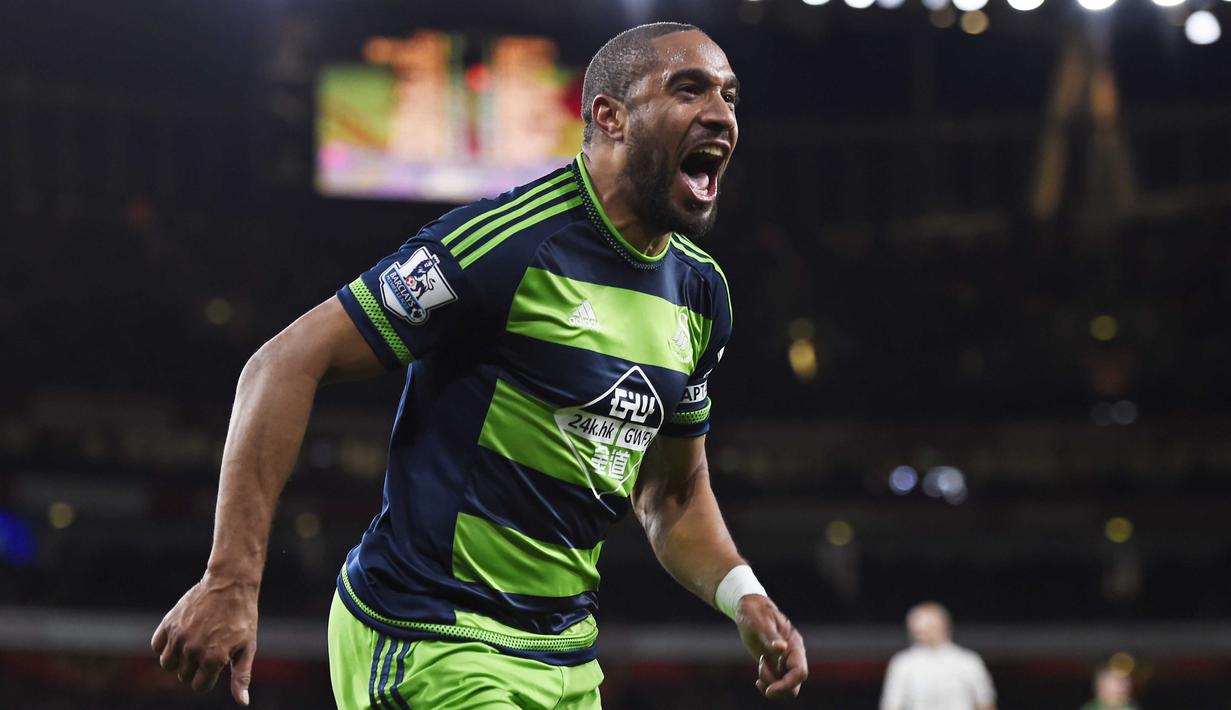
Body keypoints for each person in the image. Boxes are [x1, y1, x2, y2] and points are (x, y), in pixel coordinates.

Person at [150, 22, 808, 709]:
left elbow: (670, 495)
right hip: (431, 637)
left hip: (565, 659)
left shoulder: (701, 295)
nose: (720, 113)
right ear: (609, 117)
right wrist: (230, 580)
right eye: (688, 89)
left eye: (729, 96)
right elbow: (282, 363)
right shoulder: (500, 247)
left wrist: (744, 595)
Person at [880, 602, 996, 710]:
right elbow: (891, 705)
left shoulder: (968, 661)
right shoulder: (903, 663)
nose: (919, 631)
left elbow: (985, 703)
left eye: (927, 626)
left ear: (943, 625)